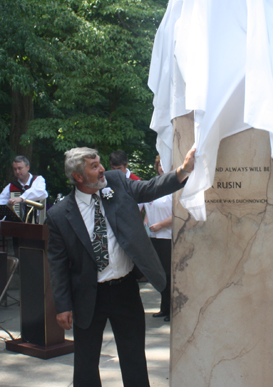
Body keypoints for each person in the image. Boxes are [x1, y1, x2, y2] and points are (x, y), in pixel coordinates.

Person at [46, 146, 195, 387]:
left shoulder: (116, 183)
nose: (102, 168)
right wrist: (62, 305)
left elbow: (150, 188)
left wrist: (183, 170)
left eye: (100, 162)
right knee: (86, 363)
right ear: (78, 177)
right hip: (87, 296)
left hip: (125, 290)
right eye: (94, 166)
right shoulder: (60, 215)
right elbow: (58, 265)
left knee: (134, 357)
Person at [143, 156, 172, 322]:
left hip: (167, 237)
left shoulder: (175, 188)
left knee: (168, 275)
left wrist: (160, 225)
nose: (161, 168)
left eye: (164, 164)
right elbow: (149, 209)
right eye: (159, 165)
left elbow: (178, 214)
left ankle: (171, 309)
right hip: (153, 236)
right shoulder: (154, 184)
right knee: (159, 274)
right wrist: (146, 225)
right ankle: (164, 307)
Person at [0, 155, 48, 221]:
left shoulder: (38, 180)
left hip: (37, 224)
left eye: (20, 168)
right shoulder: (11, 186)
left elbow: (41, 192)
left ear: (28, 167)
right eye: (15, 169)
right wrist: (8, 205)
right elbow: (1, 202)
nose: (17, 172)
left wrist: (21, 198)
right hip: (17, 226)